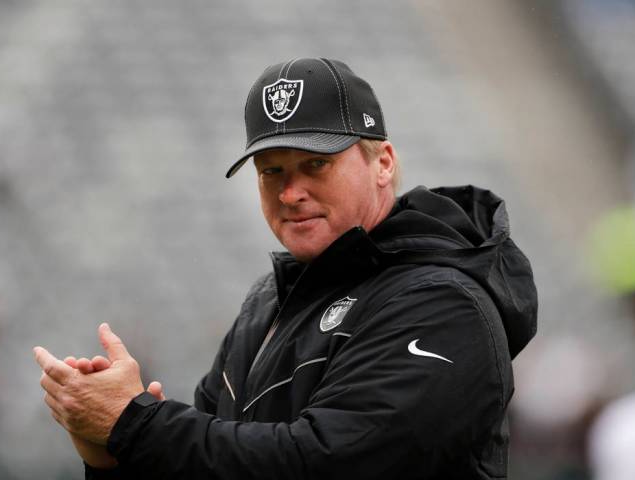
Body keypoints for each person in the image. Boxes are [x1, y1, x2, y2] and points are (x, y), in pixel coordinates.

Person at [34, 57, 538, 479]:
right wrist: (110, 454)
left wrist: (138, 425)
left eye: (315, 165)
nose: (290, 193)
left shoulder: (443, 302)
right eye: (271, 171)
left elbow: (328, 463)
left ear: (382, 162)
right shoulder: (267, 304)